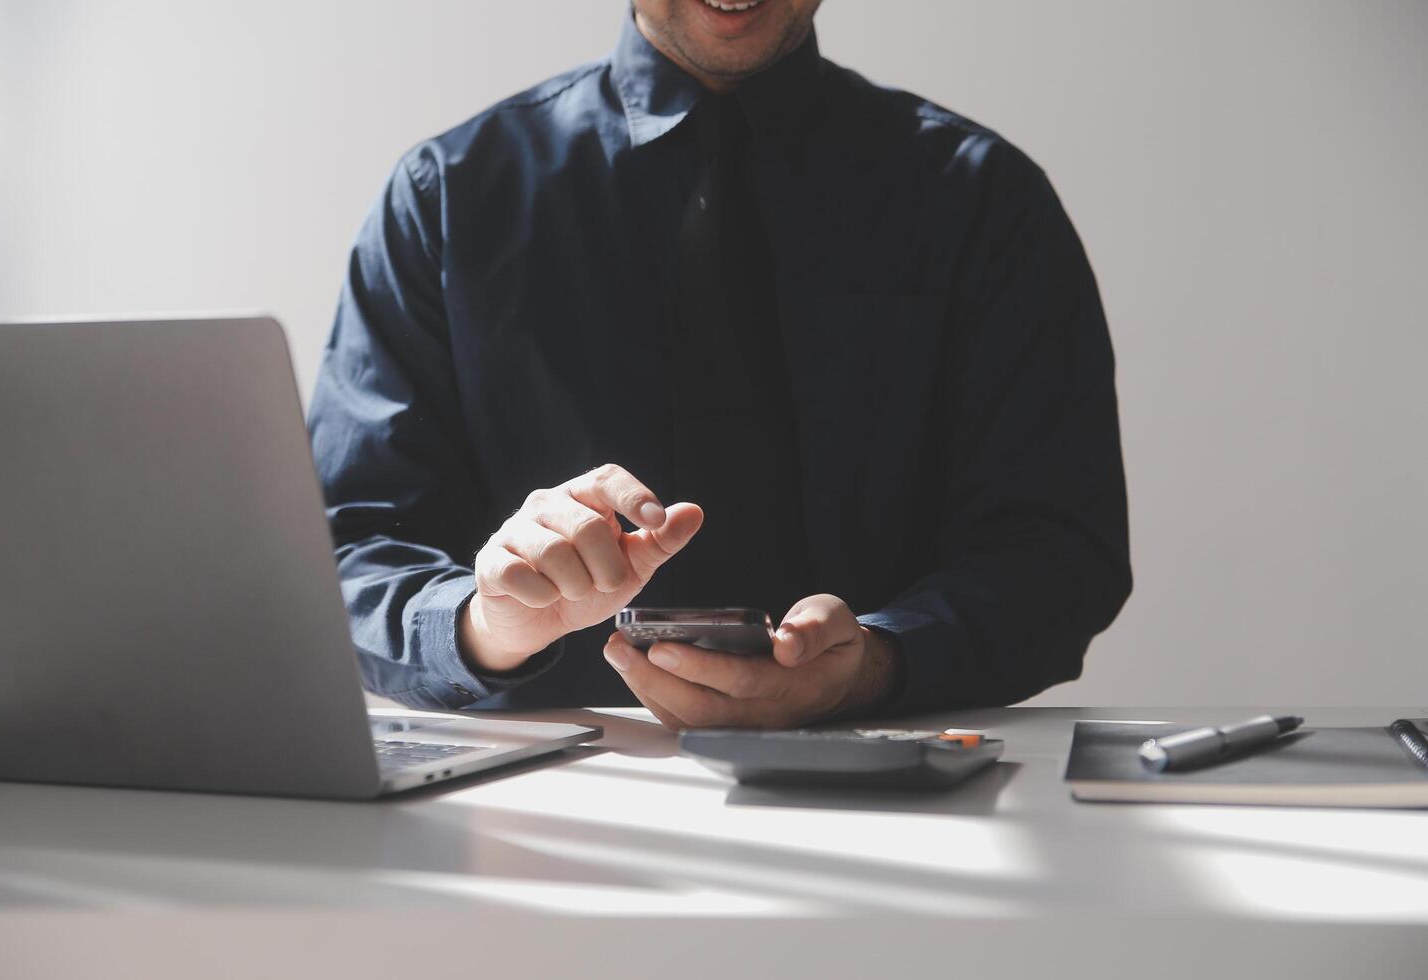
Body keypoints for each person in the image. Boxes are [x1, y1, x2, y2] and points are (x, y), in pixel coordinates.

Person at [306, 0, 1131, 728]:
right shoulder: (444, 198)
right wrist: (483, 625)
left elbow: (1058, 548)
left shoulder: (984, 201)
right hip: (542, 816)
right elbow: (345, 550)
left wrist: (875, 664)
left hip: (903, 789)